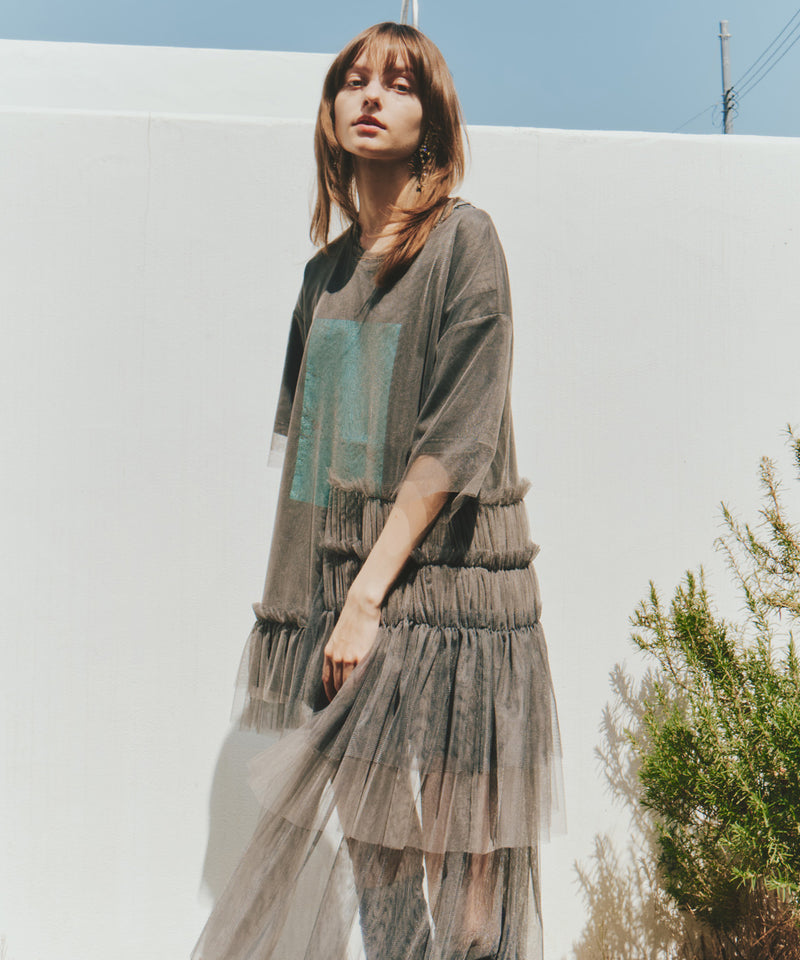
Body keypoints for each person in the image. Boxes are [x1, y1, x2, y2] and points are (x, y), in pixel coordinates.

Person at [193, 21, 562, 960]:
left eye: (398, 85)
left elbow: (455, 440)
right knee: (378, 865)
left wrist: (365, 598)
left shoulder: (465, 243)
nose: (370, 96)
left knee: (468, 877)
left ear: (431, 120)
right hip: (350, 595)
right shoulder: (322, 279)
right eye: (354, 81)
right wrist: (320, 610)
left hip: (458, 595)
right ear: (329, 114)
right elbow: (322, 462)